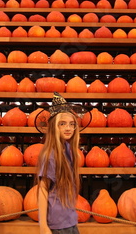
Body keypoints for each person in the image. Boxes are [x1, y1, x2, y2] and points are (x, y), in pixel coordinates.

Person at [35, 93, 83, 234]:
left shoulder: (68, 149)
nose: (68, 128)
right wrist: (43, 225)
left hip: (70, 218)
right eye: (62, 124)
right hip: (58, 224)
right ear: (54, 127)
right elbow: (43, 189)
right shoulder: (50, 155)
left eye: (71, 124)